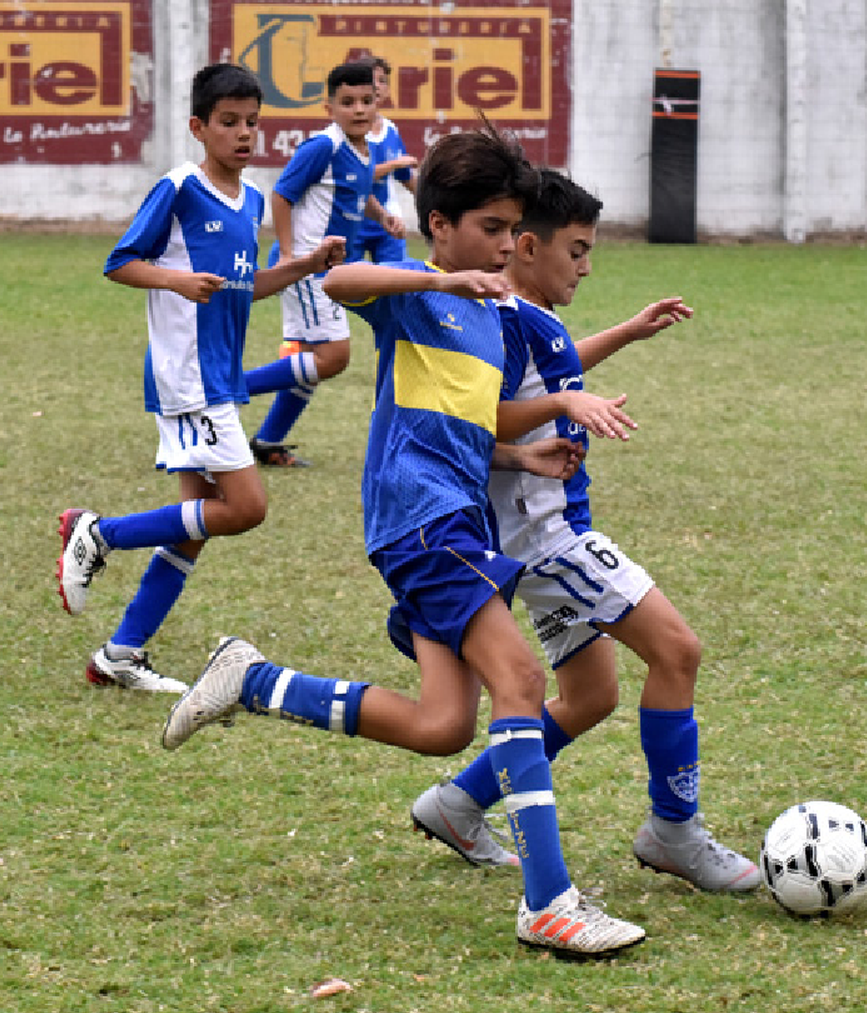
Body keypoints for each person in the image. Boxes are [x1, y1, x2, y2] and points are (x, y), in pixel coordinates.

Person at [161, 125, 647, 960]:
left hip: (457, 517)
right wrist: (435, 273)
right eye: (489, 230)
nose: (503, 246)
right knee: (524, 679)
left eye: (509, 231)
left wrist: (519, 450)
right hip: (421, 519)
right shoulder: (419, 292)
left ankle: (255, 680)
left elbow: (467, 417)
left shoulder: (492, 318)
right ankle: (549, 901)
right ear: (440, 224)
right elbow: (341, 275)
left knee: (443, 724)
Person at [409, 170, 761, 893]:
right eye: (576, 249)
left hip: (541, 537)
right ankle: (675, 829)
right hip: (546, 539)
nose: (587, 264)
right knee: (678, 649)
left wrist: (627, 333)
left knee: (591, 694)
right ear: (530, 246)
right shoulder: (506, 317)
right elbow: (483, 418)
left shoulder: (528, 317)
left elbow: (553, 372)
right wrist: (565, 405)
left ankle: (458, 802)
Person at [55, 62, 343, 692]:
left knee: (193, 525)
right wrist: (176, 279)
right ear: (198, 127)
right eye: (229, 123)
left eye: (252, 123)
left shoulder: (250, 202)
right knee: (244, 507)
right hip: (187, 378)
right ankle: (98, 534)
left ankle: (120, 655)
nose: (244, 134)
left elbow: (246, 289)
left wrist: (305, 264)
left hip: (219, 378)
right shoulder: (181, 188)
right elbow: (121, 262)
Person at [248, 60, 406, 469]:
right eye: (348, 102)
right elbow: (281, 195)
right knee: (333, 357)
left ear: (377, 103)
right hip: (308, 264)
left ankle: (267, 442)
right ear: (329, 107)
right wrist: (288, 255)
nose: (358, 109)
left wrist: (382, 215)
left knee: (308, 362)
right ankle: (224, 390)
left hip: (325, 266)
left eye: (366, 101)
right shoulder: (323, 146)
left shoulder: (364, 149)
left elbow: (356, 195)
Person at [349, 56, 418, 264]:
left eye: (382, 81)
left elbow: (405, 175)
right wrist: (395, 164)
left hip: (388, 220)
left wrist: (431, 198)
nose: (377, 86)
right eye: (371, 80)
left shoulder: (390, 129)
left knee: (395, 281)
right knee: (349, 285)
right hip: (353, 220)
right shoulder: (349, 130)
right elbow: (355, 175)